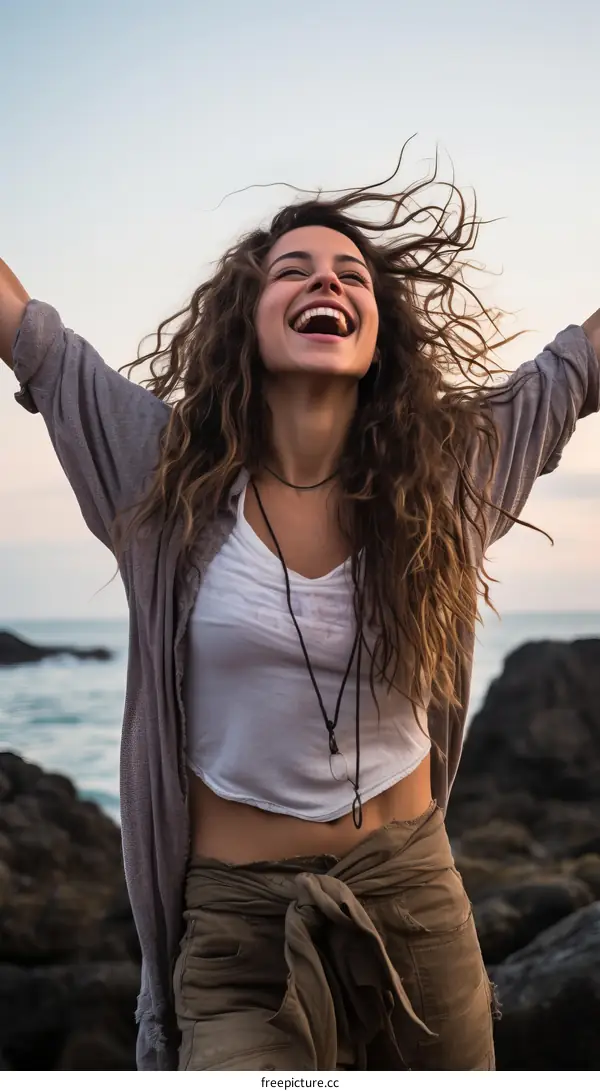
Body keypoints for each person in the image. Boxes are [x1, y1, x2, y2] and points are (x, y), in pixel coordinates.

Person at [1, 164, 598, 1072]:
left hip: (414, 899)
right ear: (247, 316)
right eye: (295, 269)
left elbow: (575, 365)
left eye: (351, 274)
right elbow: (31, 336)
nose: (327, 279)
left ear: (378, 332)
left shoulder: (450, 474)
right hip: (238, 927)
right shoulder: (161, 476)